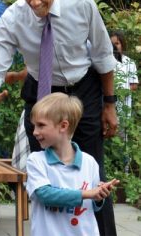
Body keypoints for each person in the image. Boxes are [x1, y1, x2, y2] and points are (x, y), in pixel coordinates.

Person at [0, 0, 118, 235]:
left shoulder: (81, 2)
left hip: (84, 92)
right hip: (42, 95)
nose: (34, 2)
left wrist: (110, 104)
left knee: (92, 174)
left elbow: (103, 55)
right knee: (45, 172)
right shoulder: (14, 16)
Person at [26, 92, 119, 236]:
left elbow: (93, 205)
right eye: (34, 126)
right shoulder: (36, 160)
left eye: (41, 125)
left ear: (63, 126)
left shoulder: (90, 163)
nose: (35, 132)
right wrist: (88, 193)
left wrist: (99, 197)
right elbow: (45, 195)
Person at [110, 30, 139, 117]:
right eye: (111, 44)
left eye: (117, 43)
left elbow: (134, 85)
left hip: (123, 104)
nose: (114, 46)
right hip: (108, 103)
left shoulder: (129, 62)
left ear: (122, 44)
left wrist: (120, 92)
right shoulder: (106, 61)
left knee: (122, 127)